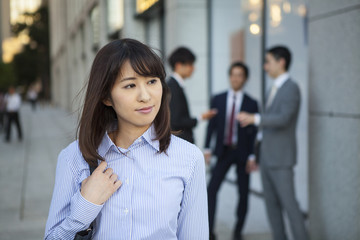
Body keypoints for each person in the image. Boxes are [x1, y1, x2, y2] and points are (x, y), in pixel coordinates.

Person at [45, 39, 209, 239]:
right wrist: (86, 205)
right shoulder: (74, 157)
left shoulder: (189, 158)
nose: (145, 96)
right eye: (130, 85)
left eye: (152, 81)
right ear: (106, 97)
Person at [238, 46, 309, 240]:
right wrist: (255, 154)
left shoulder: (291, 87)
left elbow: (284, 118)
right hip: (266, 158)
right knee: (272, 208)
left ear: (281, 62)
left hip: (282, 159)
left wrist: (255, 118)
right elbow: (266, 128)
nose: (265, 66)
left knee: (290, 206)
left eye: (268, 61)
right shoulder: (272, 88)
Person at [204, 62, 259, 240]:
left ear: (245, 78)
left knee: (243, 194)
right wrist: (207, 148)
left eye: (240, 75)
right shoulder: (218, 99)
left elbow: (254, 133)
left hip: (243, 152)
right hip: (224, 151)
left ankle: (238, 231)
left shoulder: (252, 103)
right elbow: (211, 126)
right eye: (233, 74)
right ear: (229, 77)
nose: (236, 78)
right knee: (211, 190)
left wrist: (252, 156)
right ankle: (210, 231)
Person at [167, 47, 217, 144]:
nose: (193, 68)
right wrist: (200, 118)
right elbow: (175, 121)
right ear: (178, 65)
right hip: (179, 143)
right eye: (190, 64)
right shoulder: (172, 86)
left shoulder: (175, 85)